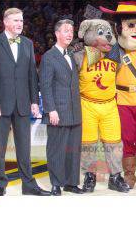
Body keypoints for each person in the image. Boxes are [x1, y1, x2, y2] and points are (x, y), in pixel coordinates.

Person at [0, 8, 50, 196]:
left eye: (21, 20)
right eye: (15, 20)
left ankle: (28, 185)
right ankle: (0, 184)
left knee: (24, 147)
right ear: (5, 22)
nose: (19, 24)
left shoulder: (28, 43)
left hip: (23, 104)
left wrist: (34, 100)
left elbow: (31, 74)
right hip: (0, 104)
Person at [39, 19, 83, 196]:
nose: (69, 34)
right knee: (56, 149)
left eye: (71, 31)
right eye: (65, 31)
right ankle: (56, 183)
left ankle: (71, 182)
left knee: (73, 149)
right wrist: (51, 110)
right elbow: (45, 85)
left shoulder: (71, 54)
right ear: (57, 34)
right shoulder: (49, 57)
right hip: (58, 111)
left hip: (74, 111)